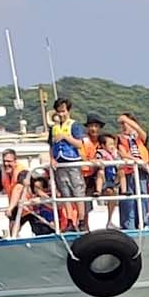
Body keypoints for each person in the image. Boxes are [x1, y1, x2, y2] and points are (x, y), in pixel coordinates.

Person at [48, 99, 87, 228]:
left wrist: (65, 137)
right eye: (59, 112)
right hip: (59, 163)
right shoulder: (53, 128)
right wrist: (52, 158)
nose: (61, 114)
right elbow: (51, 145)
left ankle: (81, 219)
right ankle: (70, 219)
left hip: (72, 161)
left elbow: (79, 144)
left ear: (68, 111)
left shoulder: (74, 125)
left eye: (63, 111)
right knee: (65, 192)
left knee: (77, 190)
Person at [16, 171, 59, 236]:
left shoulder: (41, 193)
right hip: (36, 220)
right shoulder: (29, 193)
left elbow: (52, 204)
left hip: (47, 222)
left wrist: (41, 199)